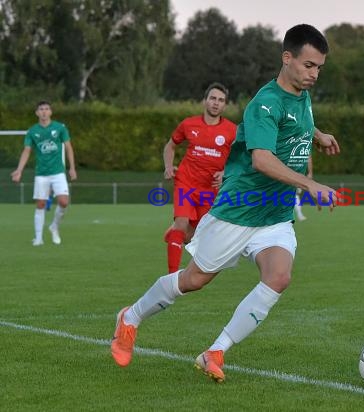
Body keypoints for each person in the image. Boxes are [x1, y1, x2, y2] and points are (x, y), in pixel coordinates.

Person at [111, 24, 340, 383]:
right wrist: (310, 184)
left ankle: (215, 351)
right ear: (287, 58)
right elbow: (262, 159)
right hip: (238, 210)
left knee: (278, 277)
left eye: (319, 68)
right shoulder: (264, 103)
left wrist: (319, 134)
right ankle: (130, 317)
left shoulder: (301, 95)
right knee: (194, 280)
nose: (315, 74)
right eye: (309, 65)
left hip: (274, 216)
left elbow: (297, 123)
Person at [162, 83, 237, 273]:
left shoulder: (232, 130)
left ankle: (174, 237)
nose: (216, 103)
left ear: (225, 106)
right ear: (205, 101)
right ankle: (172, 277)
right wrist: (169, 167)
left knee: (194, 236)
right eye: (213, 98)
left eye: (221, 100)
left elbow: (241, 159)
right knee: (181, 223)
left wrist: (226, 173)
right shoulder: (189, 124)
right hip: (186, 182)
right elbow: (170, 146)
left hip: (210, 189)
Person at [11, 101, 77, 245]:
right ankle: (39, 238)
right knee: (40, 204)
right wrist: (19, 170)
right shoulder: (32, 131)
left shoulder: (60, 128)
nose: (44, 112)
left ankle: (54, 227)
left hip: (58, 172)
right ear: (37, 113)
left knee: (64, 202)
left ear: (51, 112)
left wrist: (72, 168)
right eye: (41, 109)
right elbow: (27, 150)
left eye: (47, 109)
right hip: (41, 173)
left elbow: (68, 148)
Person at [294, 155, 313, 221]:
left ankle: (299, 214)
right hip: (291, 171)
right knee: (294, 194)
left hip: (297, 172)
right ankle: (299, 214)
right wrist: (310, 173)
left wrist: (310, 173)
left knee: (295, 194)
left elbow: (308, 157)